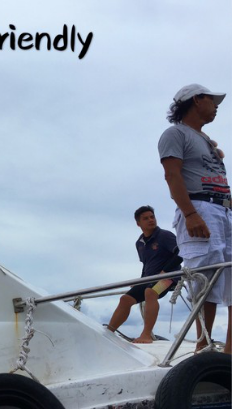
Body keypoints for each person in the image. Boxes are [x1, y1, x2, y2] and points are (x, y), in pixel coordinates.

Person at [158, 83, 231, 355]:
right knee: (205, 278)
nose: (216, 107)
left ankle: (229, 353)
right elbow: (172, 175)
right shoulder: (175, 133)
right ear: (196, 100)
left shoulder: (206, 140)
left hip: (223, 210)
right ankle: (203, 349)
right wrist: (190, 214)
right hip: (200, 207)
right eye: (213, 101)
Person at [107, 206, 182, 343]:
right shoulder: (139, 243)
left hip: (169, 278)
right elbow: (146, 264)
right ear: (138, 223)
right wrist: (140, 281)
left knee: (150, 292)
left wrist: (165, 271)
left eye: (152, 217)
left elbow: (181, 253)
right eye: (146, 218)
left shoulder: (165, 236)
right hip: (149, 279)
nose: (150, 220)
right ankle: (108, 333)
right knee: (125, 299)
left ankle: (146, 335)